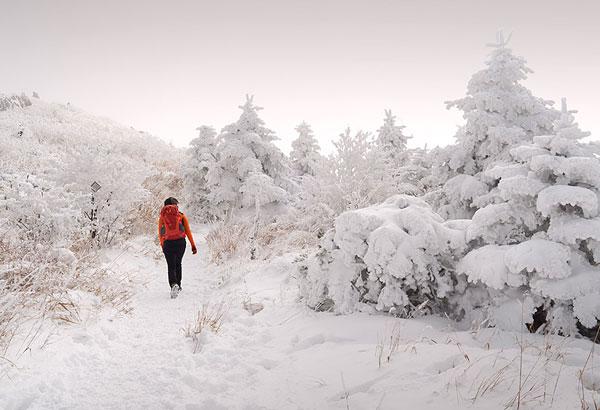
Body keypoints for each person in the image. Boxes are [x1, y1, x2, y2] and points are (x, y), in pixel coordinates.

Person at [158, 197, 197, 298]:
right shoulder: (181, 216)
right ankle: (178, 285)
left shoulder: (162, 217)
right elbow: (187, 231)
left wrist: (163, 245)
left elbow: (160, 233)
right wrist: (193, 245)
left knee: (171, 265)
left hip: (168, 243)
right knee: (178, 263)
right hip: (180, 243)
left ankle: (173, 284)